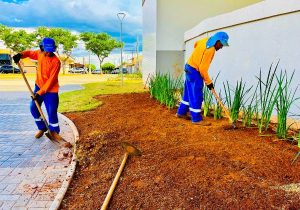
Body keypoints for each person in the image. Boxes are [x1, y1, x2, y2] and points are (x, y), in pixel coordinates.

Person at [13, 37, 64, 141]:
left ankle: (54, 132)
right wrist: (20, 55)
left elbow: (51, 80)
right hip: (39, 86)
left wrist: (40, 93)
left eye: (51, 51)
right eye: (47, 51)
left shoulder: (56, 62)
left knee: (52, 111)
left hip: (51, 91)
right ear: (42, 48)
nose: (49, 53)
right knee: (33, 108)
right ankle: (42, 127)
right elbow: (29, 53)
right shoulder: (39, 54)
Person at [176, 31, 229, 125]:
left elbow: (196, 44)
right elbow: (202, 69)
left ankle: (181, 112)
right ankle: (196, 119)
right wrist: (209, 83)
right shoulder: (210, 50)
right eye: (221, 44)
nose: (221, 47)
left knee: (188, 92)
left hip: (188, 66)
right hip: (194, 71)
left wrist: (198, 55)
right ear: (217, 41)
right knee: (197, 94)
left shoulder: (206, 40)